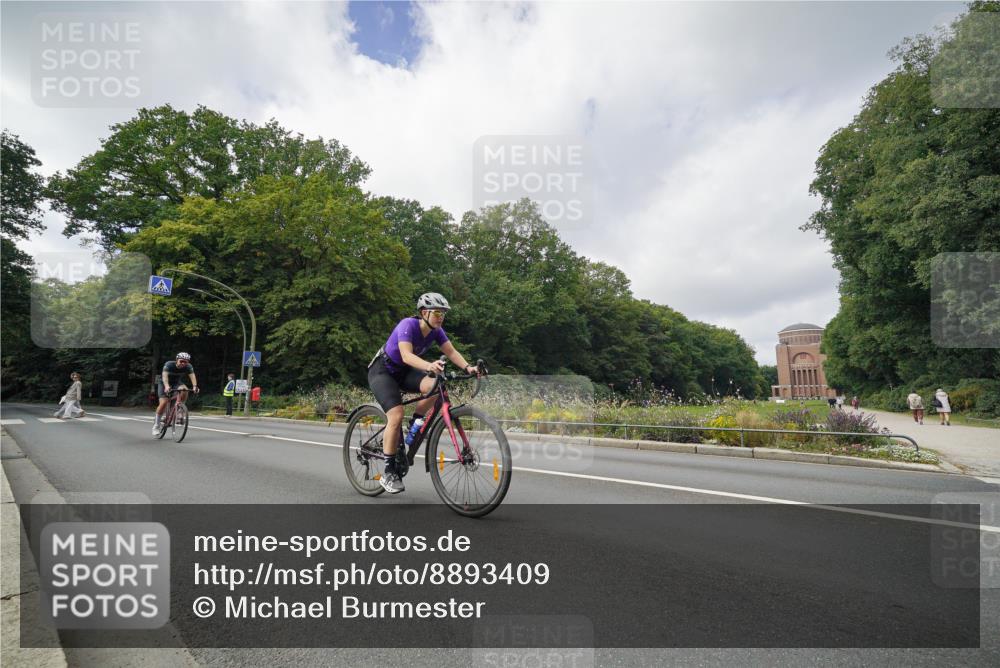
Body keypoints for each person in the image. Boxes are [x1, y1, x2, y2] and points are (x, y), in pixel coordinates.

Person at [367, 293, 479, 494]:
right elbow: (406, 355)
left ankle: (415, 423)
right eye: (437, 312)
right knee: (396, 414)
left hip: (404, 373)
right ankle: (389, 472)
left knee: (436, 386)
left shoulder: (437, 331)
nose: (441, 317)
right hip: (382, 371)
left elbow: (452, 352)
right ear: (424, 312)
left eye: (443, 313)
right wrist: (429, 365)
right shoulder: (407, 325)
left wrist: (468, 367)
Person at [154, 352, 199, 435]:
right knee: (163, 402)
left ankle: (180, 409)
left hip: (176, 383)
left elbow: (192, 376)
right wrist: (167, 386)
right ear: (177, 360)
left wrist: (195, 386)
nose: (183, 363)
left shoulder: (188, 367)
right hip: (164, 383)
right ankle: (156, 425)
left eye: (185, 362)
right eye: (181, 361)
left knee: (185, 389)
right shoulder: (169, 364)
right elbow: (164, 377)